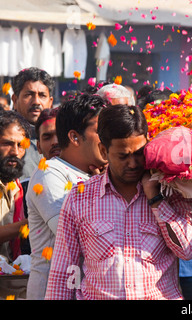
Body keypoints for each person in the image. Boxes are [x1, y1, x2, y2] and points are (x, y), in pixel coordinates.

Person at [44, 104, 192, 300]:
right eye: (123, 156)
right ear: (104, 151)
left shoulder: (173, 190)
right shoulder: (80, 197)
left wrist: (156, 199)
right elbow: (64, 271)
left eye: (138, 153)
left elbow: (188, 250)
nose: (133, 163)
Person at [26, 93, 108, 300]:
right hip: (53, 292)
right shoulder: (50, 173)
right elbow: (79, 235)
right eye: (101, 131)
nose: (110, 138)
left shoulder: (96, 173)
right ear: (74, 137)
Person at [0, 110, 31, 299]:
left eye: (21, 145)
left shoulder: (15, 185)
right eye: (7, 144)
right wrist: (28, 225)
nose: (15, 152)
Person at [11, 67, 55, 182]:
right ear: (15, 100)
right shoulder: (5, 140)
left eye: (42, 95)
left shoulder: (63, 139)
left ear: (50, 102)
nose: (36, 101)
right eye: (29, 95)